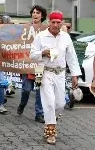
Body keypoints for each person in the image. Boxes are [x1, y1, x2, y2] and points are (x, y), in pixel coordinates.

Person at [30, 10, 81, 145]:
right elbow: (32, 55)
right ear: (49, 22)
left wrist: (75, 75)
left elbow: (72, 57)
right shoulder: (41, 36)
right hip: (44, 71)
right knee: (49, 102)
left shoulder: (66, 37)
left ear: (61, 23)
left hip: (60, 73)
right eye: (53, 22)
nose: (55, 25)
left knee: (60, 104)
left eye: (58, 22)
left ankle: (51, 118)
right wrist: (42, 52)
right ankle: (51, 132)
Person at [17, 5, 46, 123]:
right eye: (33, 12)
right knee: (26, 90)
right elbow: (14, 42)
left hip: (39, 66)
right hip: (28, 65)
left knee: (39, 90)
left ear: (42, 16)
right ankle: (22, 104)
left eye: (38, 13)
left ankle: (39, 114)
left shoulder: (46, 30)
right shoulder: (25, 28)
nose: (35, 14)